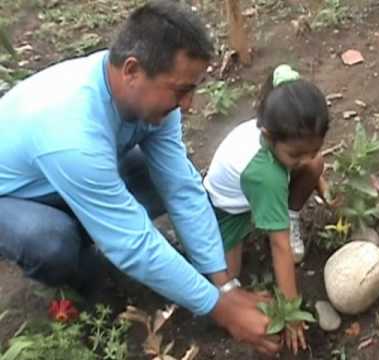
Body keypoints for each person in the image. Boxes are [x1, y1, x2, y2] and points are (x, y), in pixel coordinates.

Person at [0, 1, 281, 356]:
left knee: (160, 178)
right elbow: (131, 242)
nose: (189, 104)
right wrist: (220, 309)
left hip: (67, 176)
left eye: (192, 89)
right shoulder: (71, 131)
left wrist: (224, 285)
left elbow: (180, 187)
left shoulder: (147, 99)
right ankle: (87, 278)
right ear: (132, 70)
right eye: (180, 90)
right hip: (13, 197)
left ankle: (93, 223)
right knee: (51, 244)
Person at [204, 64, 330, 355]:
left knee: (316, 165)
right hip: (226, 212)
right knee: (227, 280)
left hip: (257, 193)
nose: (303, 159)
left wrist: (317, 179)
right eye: (296, 154)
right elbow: (280, 246)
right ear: (268, 135)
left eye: (313, 148)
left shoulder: (282, 132)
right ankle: (211, 244)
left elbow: (304, 158)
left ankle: (287, 215)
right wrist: (291, 313)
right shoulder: (266, 174)